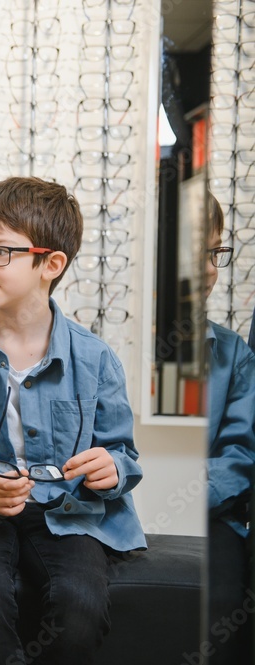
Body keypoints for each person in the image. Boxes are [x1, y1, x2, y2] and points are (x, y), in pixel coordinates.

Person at [0, 177, 145, 665]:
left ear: (52, 264)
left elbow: (122, 454)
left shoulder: (95, 358)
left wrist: (112, 469)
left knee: (80, 607)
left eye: (0, 252)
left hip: (69, 511)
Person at [204, 196, 255, 665]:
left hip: (212, 514)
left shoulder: (233, 352)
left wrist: (185, 492)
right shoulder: (105, 348)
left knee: (221, 600)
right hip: (111, 504)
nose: (207, 269)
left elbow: (240, 453)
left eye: (214, 253)